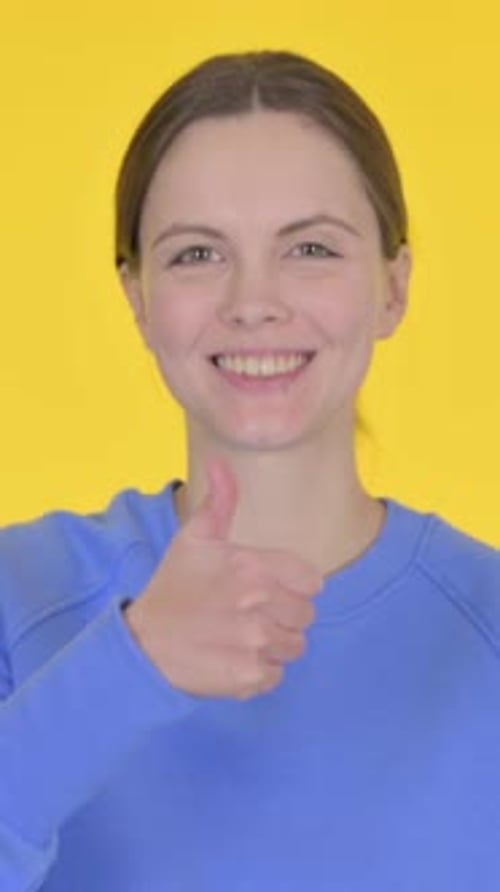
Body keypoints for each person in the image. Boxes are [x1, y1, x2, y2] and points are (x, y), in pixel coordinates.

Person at [0, 49, 498, 892]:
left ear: (393, 287)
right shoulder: (20, 593)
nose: (253, 300)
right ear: (137, 295)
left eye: (310, 247)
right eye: (198, 254)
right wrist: (130, 665)